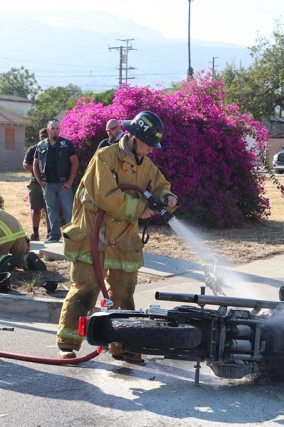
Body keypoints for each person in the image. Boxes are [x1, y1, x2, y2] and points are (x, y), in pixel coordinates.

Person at [56, 111, 178, 361]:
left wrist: (169, 197)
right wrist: (139, 209)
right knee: (86, 288)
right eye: (147, 144)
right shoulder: (105, 157)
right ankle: (68, 344)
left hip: (122, 239)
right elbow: (105, 195)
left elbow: (160, 185)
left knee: (123, 292)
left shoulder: (146, 165)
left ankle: (124, 345)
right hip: (92, 233)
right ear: (132, 137)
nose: (151, 150)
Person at [33, 119, 79, 243]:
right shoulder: (41, 145)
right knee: (51, 210)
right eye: (53, 128)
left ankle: (70, 237)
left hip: (64, 184)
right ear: (48, 130)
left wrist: (69, 182)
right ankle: (54, 235)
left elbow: (74, 163)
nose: (55, 131)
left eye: (57, 128)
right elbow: (35, 165)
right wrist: (40, 181)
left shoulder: (66, 143)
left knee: (68, 210)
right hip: (48, 184)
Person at [23, 128, 51, 241]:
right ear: (39, 137)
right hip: (35, 184)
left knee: (49, 209)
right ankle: (35, 233)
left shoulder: (52, 149)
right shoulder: (33, 149)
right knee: (36, 209)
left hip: (49, 184)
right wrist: (37, 171)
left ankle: (50, 233)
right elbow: (25, 164)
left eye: (46, 136)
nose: (44, 138)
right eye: (42, 136)